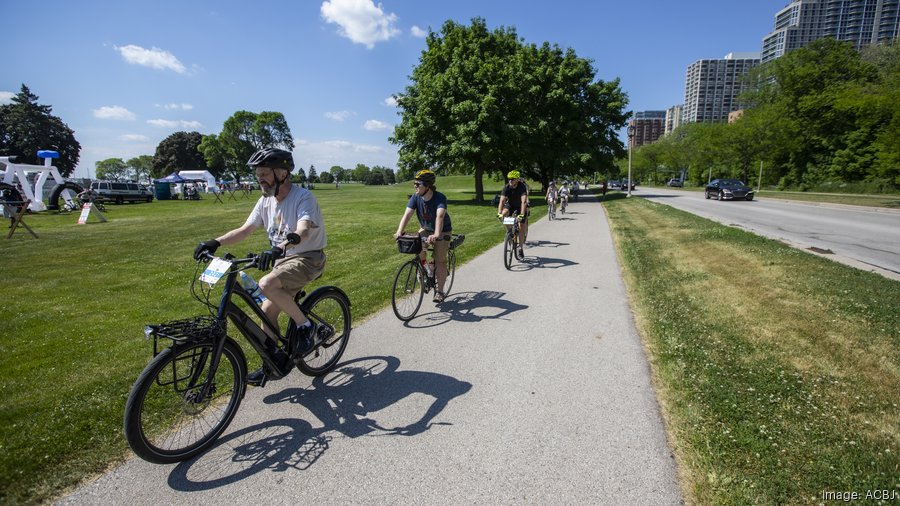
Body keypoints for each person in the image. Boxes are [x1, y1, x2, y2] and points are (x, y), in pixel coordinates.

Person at [193, 147, 327, 384]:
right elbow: (244, 230)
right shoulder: (265, 201)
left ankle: (306, 326)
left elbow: (303, 229)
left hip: (308, 258)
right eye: (257, 174)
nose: (259, 179)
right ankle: (271, 364)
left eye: (264, 173)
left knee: (267, 283)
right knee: (266, 312)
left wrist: (280, 247)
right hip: (283, 261)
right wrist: (214, 242)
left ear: (282, 173)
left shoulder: (303, 197)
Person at [394, 169, 453, 303]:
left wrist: (437, 234)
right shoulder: (416, 197)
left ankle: (440, 291)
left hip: (443, 231)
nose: (415, 186)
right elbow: (407, 214)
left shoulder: (439, 197)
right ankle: (428, 267)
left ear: (427, 186)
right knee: (418, 248)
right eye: (414, 184)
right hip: (426, 228)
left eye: (418, 184)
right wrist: (399, 231)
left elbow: (440, 216)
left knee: (440, 260)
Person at [497, 170, 528, 260]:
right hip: (510, 205)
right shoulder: (506, 187)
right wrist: (499, 213)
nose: (510, 181)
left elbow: (524, 201)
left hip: (520, 207)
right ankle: (510, 232)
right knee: (503, 214)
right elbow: (502, 201)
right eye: (509, 179)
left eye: (512, 179)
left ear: (517, 180)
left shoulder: (522, 187)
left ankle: (520, 248)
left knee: (521, 226)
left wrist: (521, 214)